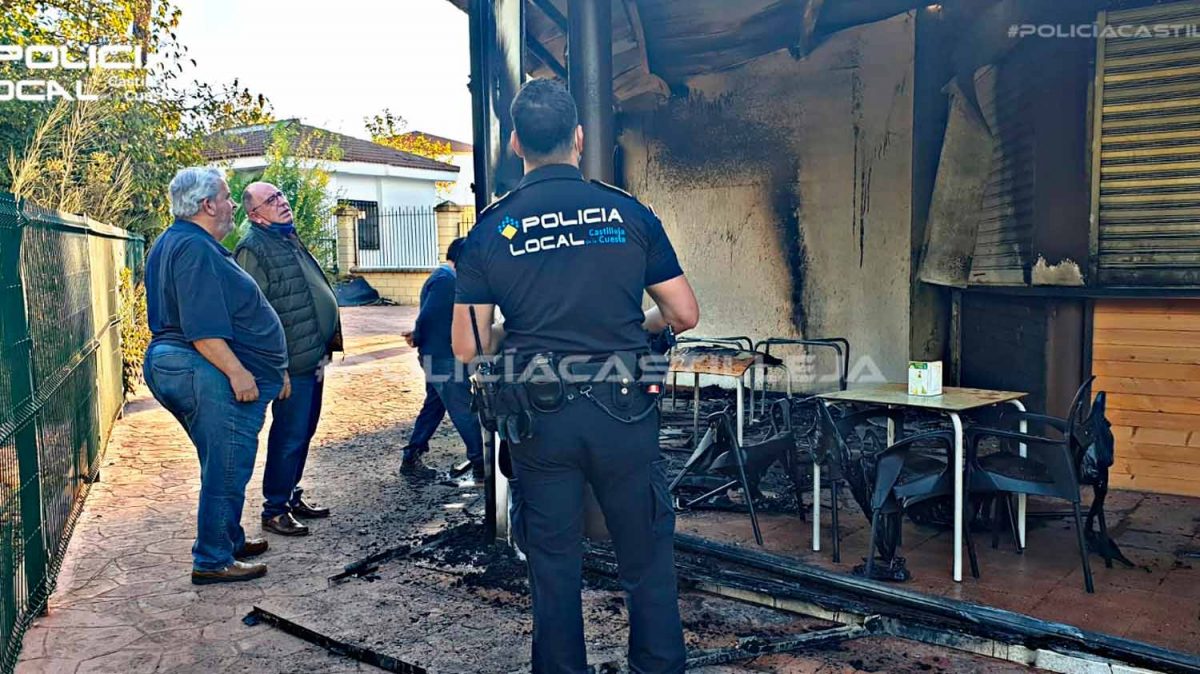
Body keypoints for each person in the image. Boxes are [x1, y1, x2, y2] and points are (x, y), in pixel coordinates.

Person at [451, 79, 700, 674]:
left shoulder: (491, 229)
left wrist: (520, 331)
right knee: (646, 556)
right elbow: (683, 313)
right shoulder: (629, 212)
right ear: (579, 139)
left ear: (516, 143)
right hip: (624, 410)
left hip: (540, 419)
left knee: (554, 563)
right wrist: (628, 325)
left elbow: (467, 345)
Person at [143, 167, 290, 585]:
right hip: (198, 366)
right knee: (227, 463)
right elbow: (202, 328)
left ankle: (227, 539)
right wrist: (240, 372)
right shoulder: (195, 249)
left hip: (184, 364)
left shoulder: (180, 241)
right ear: (207, 205)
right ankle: (212, 558)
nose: (231, 207)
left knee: (223, 461)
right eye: (226, 198)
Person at [235, 182, 342, 537]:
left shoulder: (285, 237)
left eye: (280, 195)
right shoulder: (253, 248)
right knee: (289, 435)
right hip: (288, 364)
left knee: (305, 431)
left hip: (311, 356)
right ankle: (274, 509)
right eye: (271, 200)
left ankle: (291, 495)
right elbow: (251, 314)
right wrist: (274, 367)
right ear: (255, 215)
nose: (282, 202)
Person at [399, 237, 485, 482]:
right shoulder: (446, 280)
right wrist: (418, 335)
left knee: (434, 407)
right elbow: (429, 316)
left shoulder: (444, 278)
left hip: (438, 355)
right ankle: (481, 463)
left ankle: (412, 456)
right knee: (463, 409)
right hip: (442, 358)